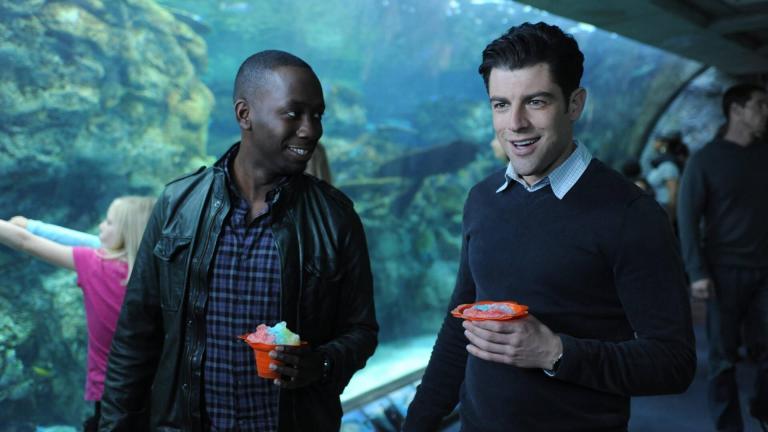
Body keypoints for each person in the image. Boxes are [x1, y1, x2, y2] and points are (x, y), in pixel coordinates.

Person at [403, 22, 695, 431]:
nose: (515, 123)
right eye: (501, 104)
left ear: (574, 104)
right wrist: (417, 422)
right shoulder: (482, 199)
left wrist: (555, 353)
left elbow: (674, 363)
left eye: (535, 102)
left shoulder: (631, 213)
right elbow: (460, 325)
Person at [98, 50, 378, 432]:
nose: (310, 130)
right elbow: (135, 336)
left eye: (317, 115)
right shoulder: (177, 205)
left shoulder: (337, 217)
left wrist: (322, 363)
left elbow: (362, 330)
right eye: (293, 113)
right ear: (244, 114)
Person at [0, 196, 155, 432]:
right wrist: (34, 226)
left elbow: (25, 243)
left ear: (125, 233)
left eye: (109, 222)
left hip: (111, 390)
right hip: (157, 389)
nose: (101, 225)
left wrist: (32, 228)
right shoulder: (161, 274)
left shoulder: (95, 265)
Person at [677, 83, 768, 431]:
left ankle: (763, 410)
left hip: (765, 270)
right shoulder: (705, 160)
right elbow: (687, 219)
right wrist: (696, 272)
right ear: (737, 110)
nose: (766, 112)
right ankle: (729, 427)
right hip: (723, 272)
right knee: (723, 358)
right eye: (760, 105)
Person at [646, 132, 687, 223]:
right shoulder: (662, 163)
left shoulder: (668, 165)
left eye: (656, 140)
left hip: (668, 214)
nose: (653, 143)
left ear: (664, 144)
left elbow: (673, 193)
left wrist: (670, 219)